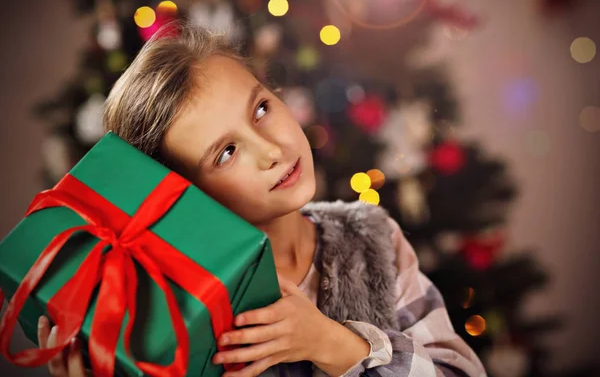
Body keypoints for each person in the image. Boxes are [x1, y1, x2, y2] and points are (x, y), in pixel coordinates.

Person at [37, 20, 486, 377]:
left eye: (261, 108)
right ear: (181, 194)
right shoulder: (177, 321)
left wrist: (331, 344)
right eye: (226, 152)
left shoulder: (374, 238)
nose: (271, 150)